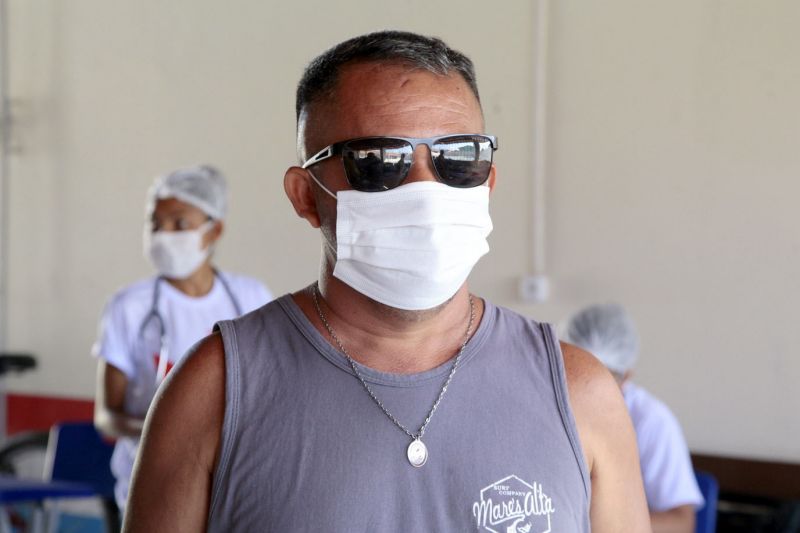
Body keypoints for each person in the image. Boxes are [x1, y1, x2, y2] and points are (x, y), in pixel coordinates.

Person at [124, 31, 651, 532]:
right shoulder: (213, 391)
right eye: (378, 162)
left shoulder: (580, 394)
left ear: (488, 181)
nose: (426, 189)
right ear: (305, 195)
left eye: (459, 158)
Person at [92, 165, 273, 514]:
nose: (163, 235)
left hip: (236, 480)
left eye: (179, 224)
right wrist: (169, 426)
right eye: (155, 225)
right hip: (149, 482)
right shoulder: (129, 306)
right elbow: (106, 416)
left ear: (214, 230)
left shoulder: (251, 298)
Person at [563, 303, 704, 533]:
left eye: (603, 378)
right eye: (575, 376)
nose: (586, 390)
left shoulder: (651, 421)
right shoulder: (547, 407)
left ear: (626, 377)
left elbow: (681, 522)